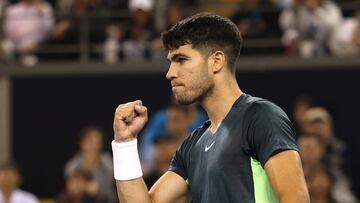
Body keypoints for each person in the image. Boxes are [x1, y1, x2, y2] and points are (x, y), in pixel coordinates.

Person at [111, 13, 309, 202]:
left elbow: (295, 198)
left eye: (181, 59)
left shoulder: (261, 117)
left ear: (216, 61)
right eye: (171, 62)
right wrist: (124, 143)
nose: (170, 73)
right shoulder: (192, 146)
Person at [64, 126, 117, 203]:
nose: (93, 146)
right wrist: (81, 188)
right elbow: (68, 192)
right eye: (89, 141)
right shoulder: (72, 166)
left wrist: (98, 190)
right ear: (82, 143)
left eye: (96, 142)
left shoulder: (107, 162)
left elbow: (111, 192)